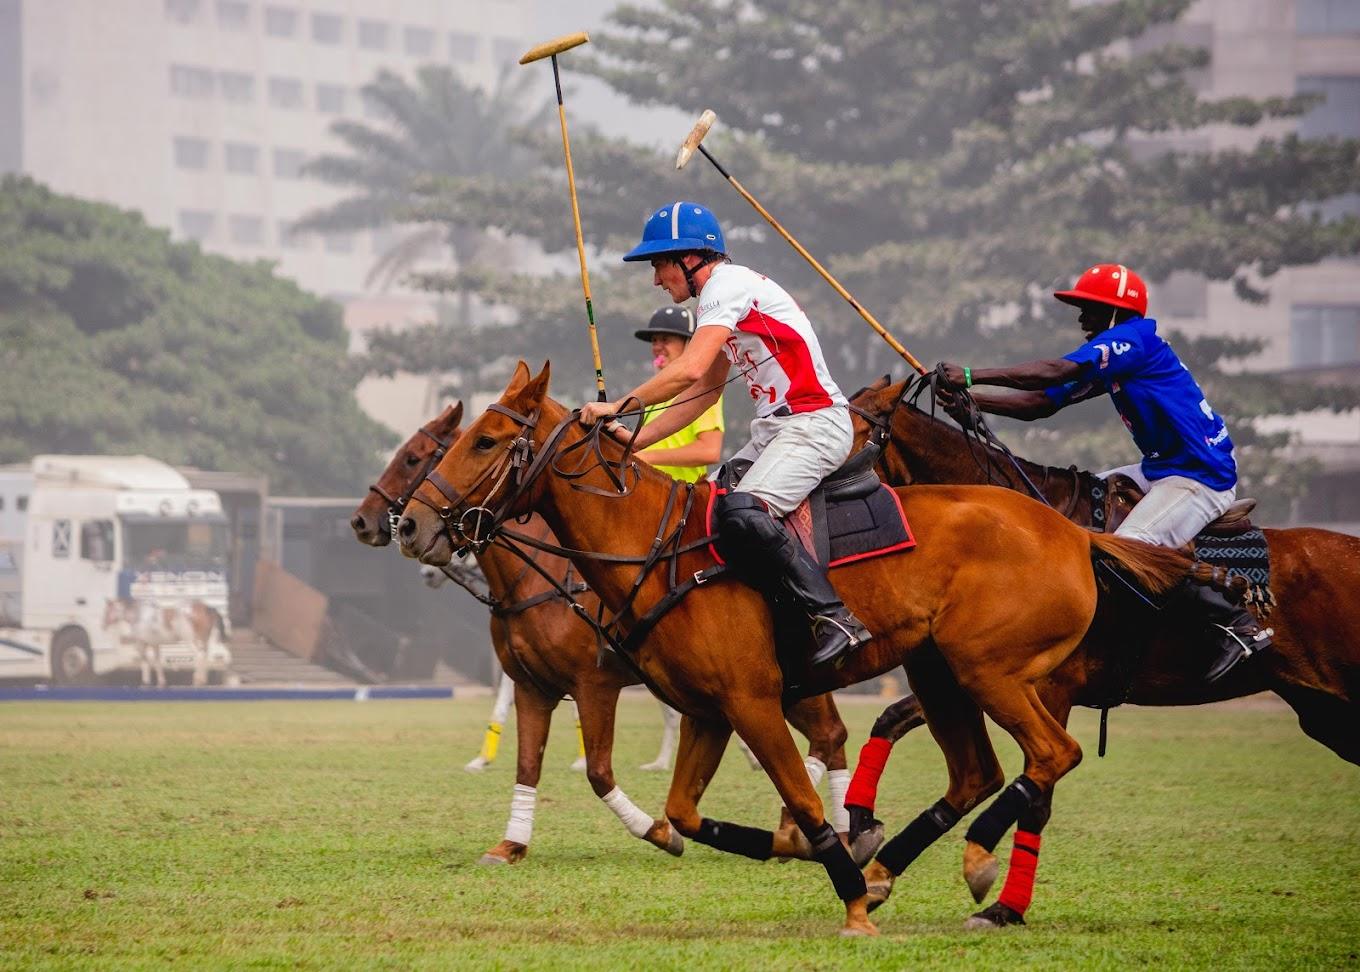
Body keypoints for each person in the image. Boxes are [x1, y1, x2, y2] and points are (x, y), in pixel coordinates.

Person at [934, 262, 1273, 683]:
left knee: (1124, 550)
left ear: (1116, 313)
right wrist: (975, 404)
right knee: (1075, 512)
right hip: (1159, 469)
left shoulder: (1135, 339)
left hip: (1199, 476)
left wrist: (971, 376)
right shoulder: (1117, 358)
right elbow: (1043, 401)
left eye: (1090, 309)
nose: (1081, 319)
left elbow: (1058, 371)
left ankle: (1238, 623)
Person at [580, 202, 870, 667]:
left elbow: (688, 369)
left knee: (745, 512)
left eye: (659, 264)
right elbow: (703, 393)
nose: (657, 279)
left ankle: (833, 616)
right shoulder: (722, 299)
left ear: (689, 258)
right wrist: (634, 443)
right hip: (776, 432)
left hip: (814, 425)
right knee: (702, 510)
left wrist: (618, 405)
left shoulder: (727, 285)